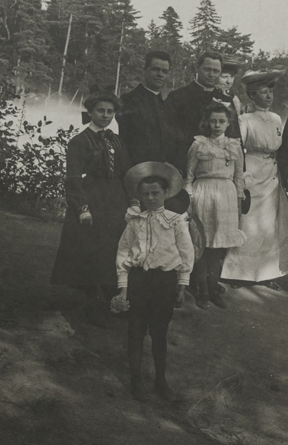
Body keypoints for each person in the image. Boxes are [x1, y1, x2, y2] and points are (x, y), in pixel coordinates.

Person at [51, 90, 130, 327]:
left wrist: (133, 201)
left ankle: (112, 298)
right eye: (101, 111)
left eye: (110, 111)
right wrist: (82, 208)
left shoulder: (116, 139)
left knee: (113, 247)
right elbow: (73, 179)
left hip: (115, 200)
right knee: (90, 249)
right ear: (90, 112)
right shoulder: (79, 141)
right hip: (92, 198)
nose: (106, 116)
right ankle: (91, 300)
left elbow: (126, 172)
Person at [116, 162, 193, 401]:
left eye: (155, 193)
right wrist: (123, 288)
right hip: (139, 281)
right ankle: (136, 381)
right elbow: (123, 253)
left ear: (166, 194)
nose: (150, 198)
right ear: (139, 195)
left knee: (159, 333)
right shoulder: (134, 221)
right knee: (136, 332)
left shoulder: (176, 221)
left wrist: (182, 284)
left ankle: (161, 381)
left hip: (165, 282)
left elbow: (185, 252)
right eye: (146, 194)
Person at [221, 70, 288, 283]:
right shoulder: (245, 120)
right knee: (249, 222)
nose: (269, 96)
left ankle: (266, 273)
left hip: (272, 175)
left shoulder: (275, 118)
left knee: (270, 225)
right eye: (264, 92)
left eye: (271, 92)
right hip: (252, 173)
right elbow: (237, 149)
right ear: (253, 95)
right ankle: (237, 273)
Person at [185, 103, 246, 309]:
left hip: (226, 196)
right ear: (207, 122)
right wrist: (190, 201)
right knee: (203, 244)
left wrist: (237, 203)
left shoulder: (235, 145)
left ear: (228, 123)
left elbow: (239, 178)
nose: (217, 125)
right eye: (213, 121)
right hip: (203, 193)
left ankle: (213, 288)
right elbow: (189, 176)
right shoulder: (199, 144)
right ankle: (201, 290)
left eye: (221, 121)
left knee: (218, 248)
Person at [165, 52, 237, 174]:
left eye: (216, 71)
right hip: (185, 165)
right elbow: (169, 135)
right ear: (197, 68)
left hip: (219, 168)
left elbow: (234, 136)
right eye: (207, 70)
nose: (211, 75)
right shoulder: (178, 96)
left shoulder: (226, 100)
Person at [116, 50, 175, 165]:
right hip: (138, 171)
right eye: (155, 69)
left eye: (165, 71)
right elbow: (128, 142)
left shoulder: (167, 105)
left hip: (165, 172)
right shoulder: (129, 100)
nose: (160, 74)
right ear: (144, 71)